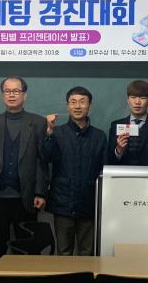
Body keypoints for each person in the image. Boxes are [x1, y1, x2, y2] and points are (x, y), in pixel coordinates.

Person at [0, 77, 48, 265]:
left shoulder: (38, 122)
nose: (12, 95)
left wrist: (40, 192)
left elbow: (42, 160)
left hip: (26, 197)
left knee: (28, 250)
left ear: (24, 95)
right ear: (2, 95)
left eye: (16, 91)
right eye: (7, 91)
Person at [43, 86, 108, 256]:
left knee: (87, 253)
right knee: (64, 252)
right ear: (67, 106)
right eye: (73, 102)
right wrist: (49, 133)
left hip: (89, 203)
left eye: (82, 102)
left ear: (90, 106)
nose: (77, 106)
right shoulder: (57, 133)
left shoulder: (99, 136)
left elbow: (104, 169)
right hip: (63, 203)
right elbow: (47, 157)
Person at [107, 80, 148, 166]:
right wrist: (119, 150)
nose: (137, 102)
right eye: (133, 97)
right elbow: (108, 161)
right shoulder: (115, 126)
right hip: (123, 174)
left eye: (142, 98)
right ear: (127, 100)